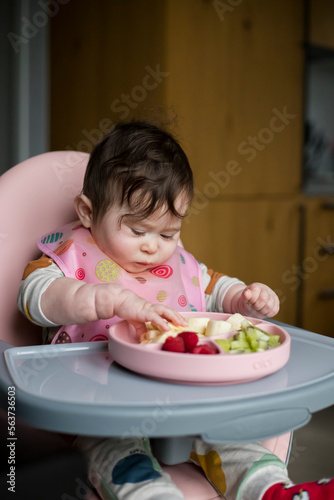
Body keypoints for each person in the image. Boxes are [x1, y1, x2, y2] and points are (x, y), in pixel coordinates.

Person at [18, 120, 333, 500]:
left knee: (232, 439)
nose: (154, 247)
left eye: (168, 234)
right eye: (137, 231)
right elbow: (35, 296)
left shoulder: (176, 263)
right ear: (87, 212)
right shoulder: (71, 256)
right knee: (120, 454)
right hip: (100, 405)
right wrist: (108, 299)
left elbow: (213, 287)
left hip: (185, 400)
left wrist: (244, 299)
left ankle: (273, 491)